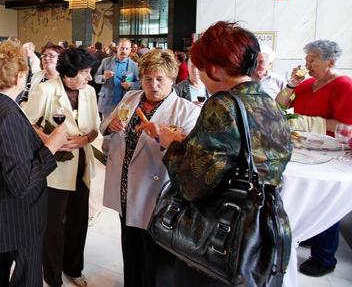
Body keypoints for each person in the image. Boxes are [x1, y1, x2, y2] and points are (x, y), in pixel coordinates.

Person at [155, 21, 292, 286]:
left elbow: (191, 185)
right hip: (262, 230)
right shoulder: (268, 102)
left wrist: (173, 145)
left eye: (201, 68)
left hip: (220, 237)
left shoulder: (222, 105)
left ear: (215, 69)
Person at [0, 40, 67, 286]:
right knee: (27, 275)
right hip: (17, 215)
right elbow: (23, 182)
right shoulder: (8, 114)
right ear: (20, 76)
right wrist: (52, 146)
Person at [101, 49, 200, 286]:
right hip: (125, 186)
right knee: (130, 248)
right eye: (148, 78)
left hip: (156, 196)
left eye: (159, 79)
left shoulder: (187, 111)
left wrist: (161, 137)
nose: (153, 85)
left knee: (155, 259)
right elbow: (106, 123)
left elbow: (191, 159)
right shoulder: (131, 98)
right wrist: (111, 125)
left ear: (172, 79)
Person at [24, 48, 100, 287]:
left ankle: (74, 268)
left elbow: (95, 128)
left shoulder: (89, 92)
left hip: (81, 166)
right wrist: (49, 139)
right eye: (85, 72)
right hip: (54, 169)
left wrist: (84, 139)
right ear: (68, 72)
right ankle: (53, 276)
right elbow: (27, 123)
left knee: (78, 221)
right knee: (53, 226)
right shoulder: (45, 90)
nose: (89, 77)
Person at [276, 39, 352, 277]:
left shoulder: (343, 85)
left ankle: (324, 257)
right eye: (307, 59)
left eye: (313, 60)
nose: (307, 64)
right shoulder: (307, 83)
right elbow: (278, 106)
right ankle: (310, 231)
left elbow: (347, 126)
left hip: (330, 155)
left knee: (323, 199)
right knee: (304, 195)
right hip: (303, 149)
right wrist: (291, 84)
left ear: (331, 61)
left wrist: (310, 122)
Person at [95, 38, 140, 119]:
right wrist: (103, 77)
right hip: (107, 102)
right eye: (122, 48)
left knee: (121, 125)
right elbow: (96, 78)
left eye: (127, 48)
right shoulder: (106, 61)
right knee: (105, 125)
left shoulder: (133, 65)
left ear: (130, 50)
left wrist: (131, 85)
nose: (124, 51)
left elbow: (138, 83)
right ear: (117, 48)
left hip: (124, 104)